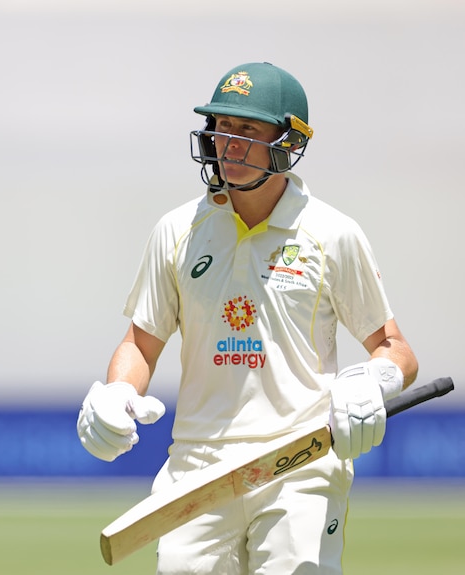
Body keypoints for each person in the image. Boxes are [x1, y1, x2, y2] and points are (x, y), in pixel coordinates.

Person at [76, 62, 418, 574]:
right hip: (197, 465)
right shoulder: (178, 230)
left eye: (247, 131)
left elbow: (396, 349)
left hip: (298, 459)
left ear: (286, 142)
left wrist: (374, 379)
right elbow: (139, 345)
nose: (228, 144)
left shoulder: (331, 233)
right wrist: (119, 393)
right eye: (221, 128)